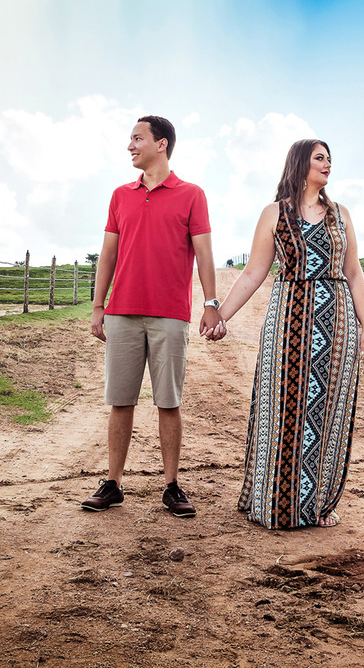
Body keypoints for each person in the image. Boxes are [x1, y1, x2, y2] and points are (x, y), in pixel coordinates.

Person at [211, 139, 364, 529]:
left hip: (336, 325)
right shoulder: (274, 214)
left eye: (330, 158)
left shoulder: (341, 215)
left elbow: (354, 272)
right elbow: (254, 272)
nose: (328, 164)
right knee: (281, 410)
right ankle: (274, 501)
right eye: (320, 158)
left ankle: (317, 504)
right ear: (300, 163)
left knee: (326, 413)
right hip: (287, 323)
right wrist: (221, 315)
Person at [83, 115, 222, 517]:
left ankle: (172, 486)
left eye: (137, 138)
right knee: (120, 401)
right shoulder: (119, 195)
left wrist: (211, 303)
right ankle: (112, 483)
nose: (130, 145)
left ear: (161, 144)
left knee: (168, 402)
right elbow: (108, 253)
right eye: (130, 139)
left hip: (170, 315)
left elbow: (204, 254)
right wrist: (98, 306)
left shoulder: (192, 194)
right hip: (122, 312)